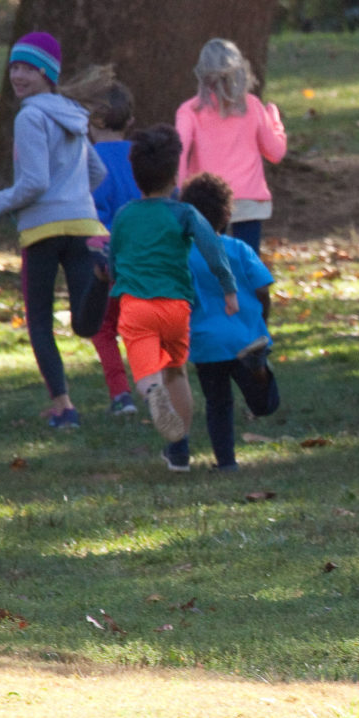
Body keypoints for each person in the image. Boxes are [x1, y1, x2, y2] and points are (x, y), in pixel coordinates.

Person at [0, 32, 109, 430]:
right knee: (84, 323)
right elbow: (98, 173)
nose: (18, 75)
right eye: (14, 66)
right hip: (83, 226)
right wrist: (74, 197)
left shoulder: (30, 116)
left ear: (47, 73)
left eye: (28, 68)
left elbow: (34, 183)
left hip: (43, 231)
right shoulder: (72, 113)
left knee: (40, 322)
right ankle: (103, 279)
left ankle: (64, 407)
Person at [110, 125, 239, 473]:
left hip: (136, 304)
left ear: (136, 176)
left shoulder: (124, 216)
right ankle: (179, 451)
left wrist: (115, 286)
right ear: (175, 174)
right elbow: (213, 248)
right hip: (175, 307)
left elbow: (115, 259)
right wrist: (228, 287)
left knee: (146, 369)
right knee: (176, 372)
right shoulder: (184, 214)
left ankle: (150, 391)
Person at [178, 171, 281, 471]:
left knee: (218, 403)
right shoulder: (239, 249)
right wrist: (262, 320)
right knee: (264, 405)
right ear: (226, 214)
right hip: (246, 338)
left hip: (206, 342)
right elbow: (262, 289)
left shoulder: (183, 257)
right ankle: (259, 369)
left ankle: (226, 463)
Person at [175, 38, 287, 249]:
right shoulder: (251, 106)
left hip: (207, 200)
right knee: (246, 266)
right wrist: (275, 121)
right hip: (249, 199)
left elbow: (179, 154)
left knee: (209, 266)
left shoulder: (190, 111)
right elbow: (275, 152)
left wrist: (181, 193)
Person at [86, 79, 143, 416]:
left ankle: (121, 393)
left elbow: (91, 215)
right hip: (145, 261)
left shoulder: (89, 162)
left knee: (103, 329)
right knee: (139, 327)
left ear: (92, 121)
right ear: (130, 122)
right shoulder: (142, 158)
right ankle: (153, 384)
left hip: (107, 264)